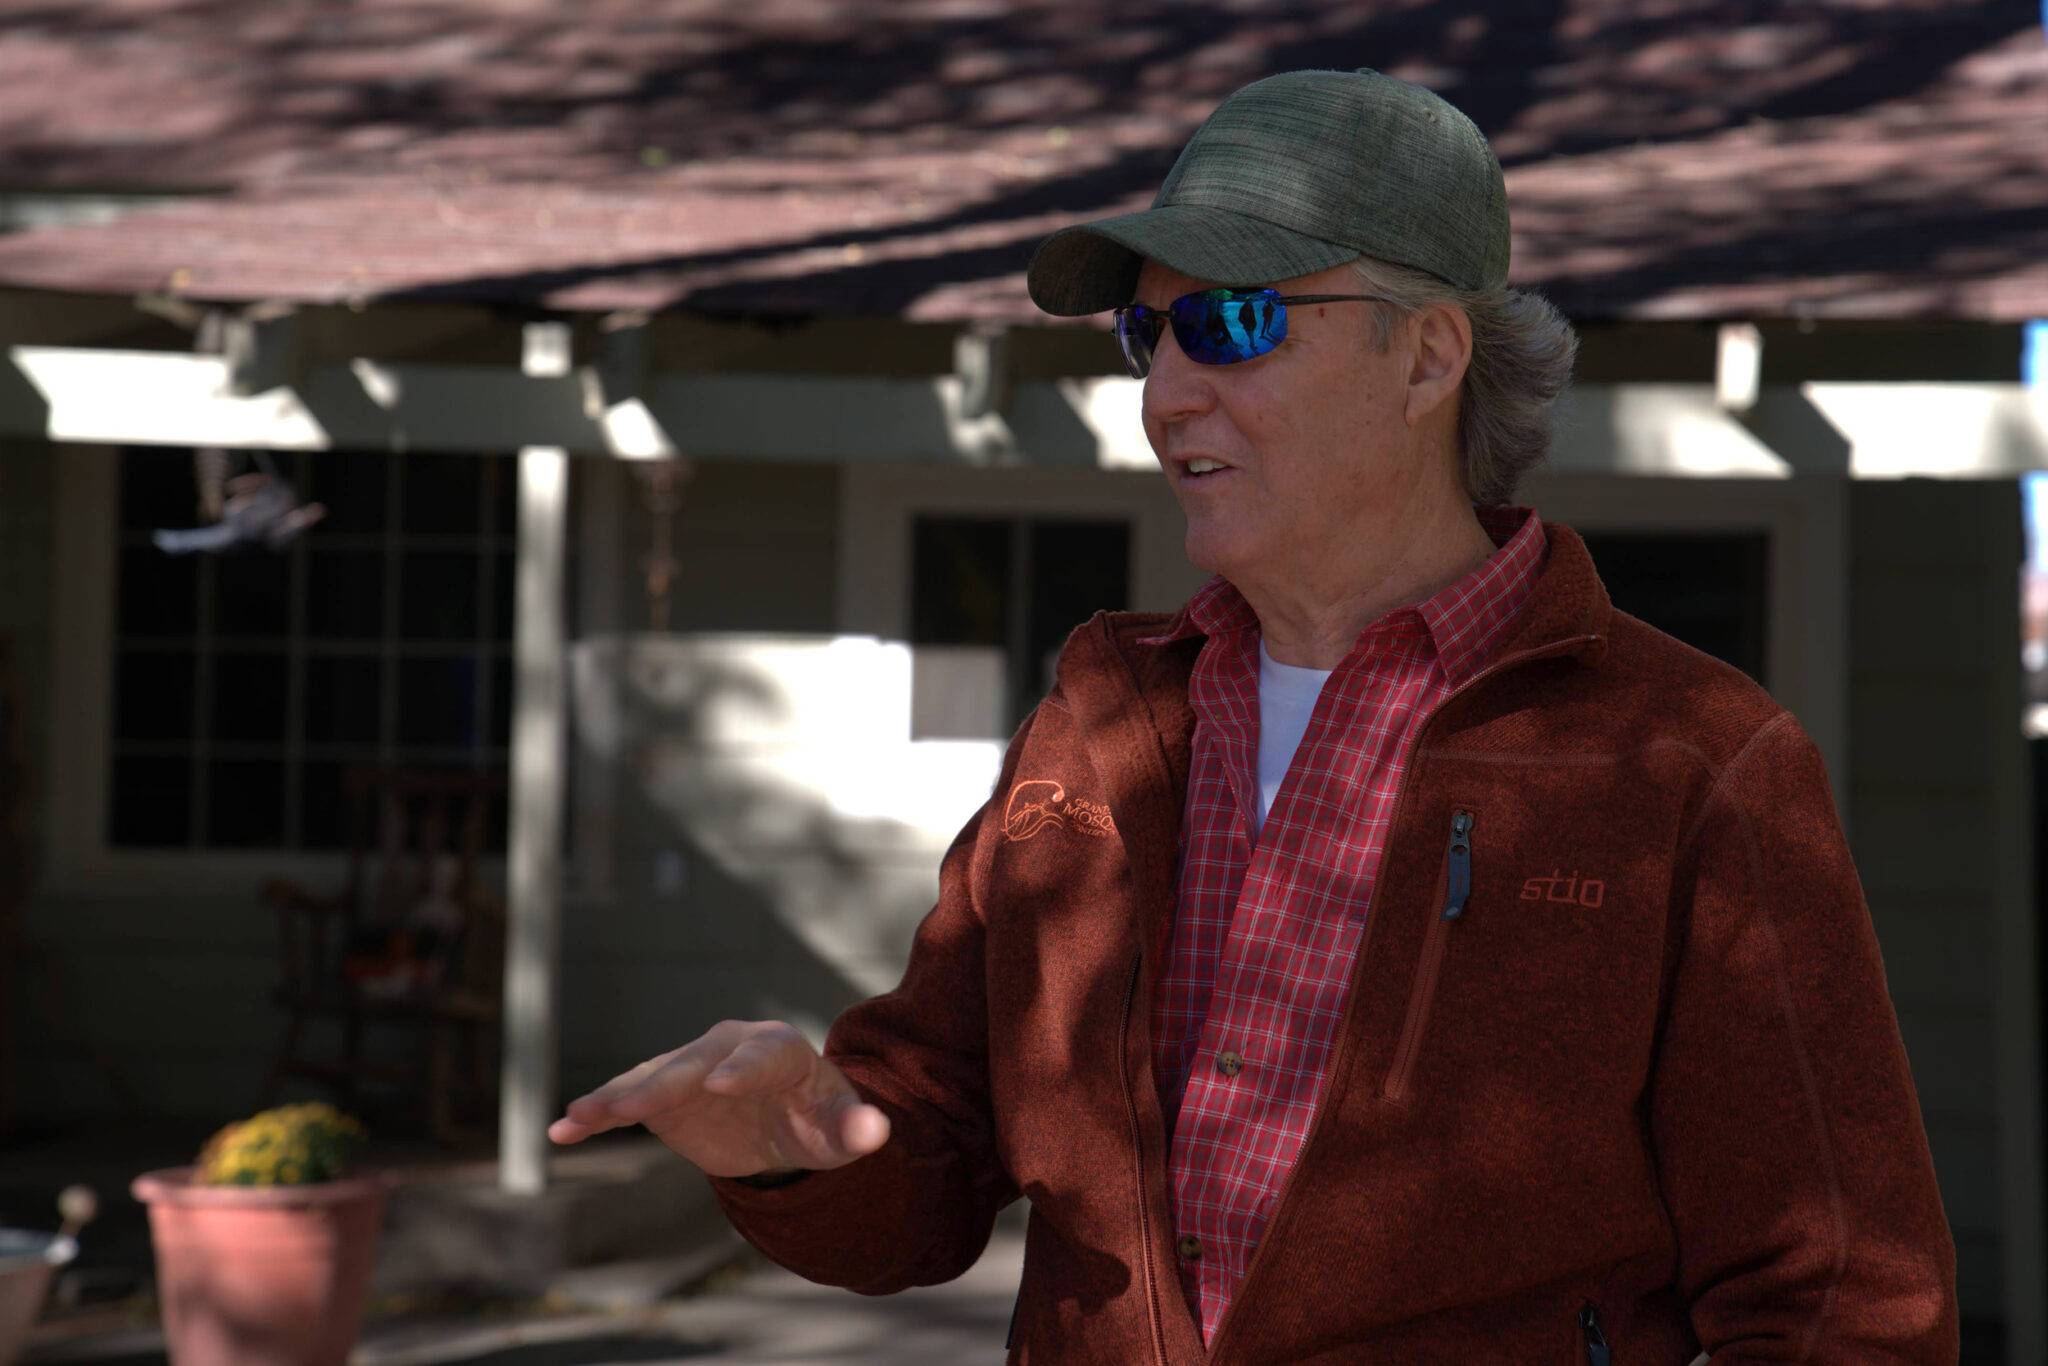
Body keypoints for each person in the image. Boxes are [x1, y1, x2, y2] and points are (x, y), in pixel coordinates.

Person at [551, 69, 1957, 1363]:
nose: (1165, 392)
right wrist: (805, 1142)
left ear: (1428, 357)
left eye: (1237, 318)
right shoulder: (1095, 728)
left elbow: (1842, 1304)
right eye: (1144, 331)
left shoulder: (1692, 761)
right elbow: (931, 1152)